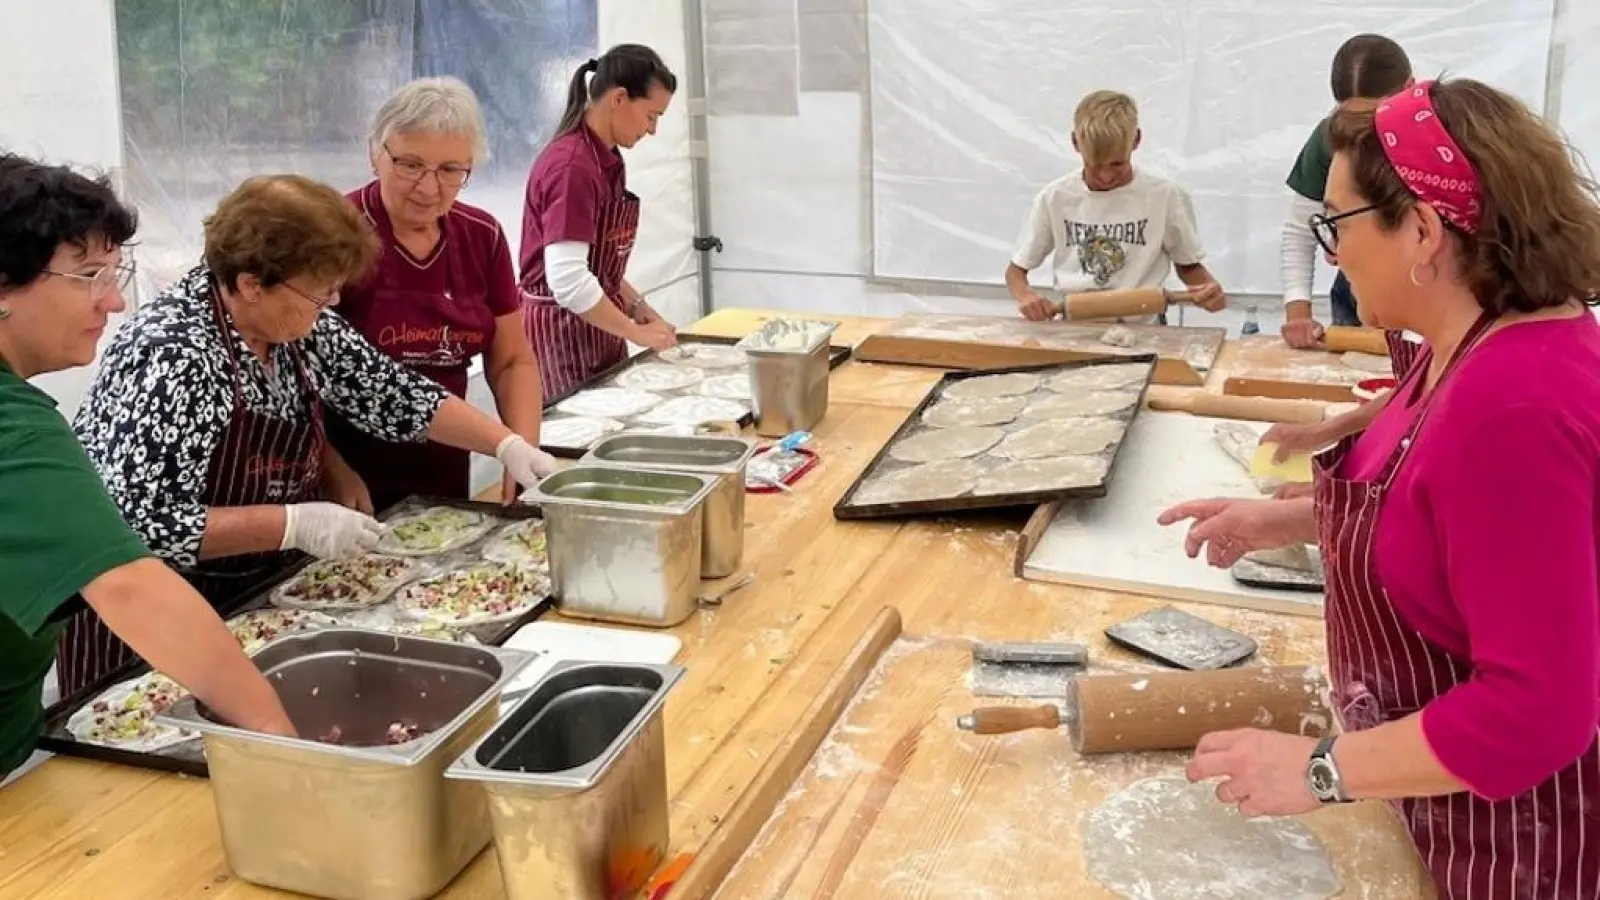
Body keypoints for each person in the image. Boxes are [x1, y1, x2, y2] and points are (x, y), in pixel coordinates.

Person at [1160, 79, 1600, 899]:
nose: (1331, 250)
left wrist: (1321, 770)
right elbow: (1432, 516)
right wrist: (1287, 520)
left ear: (1425, 231)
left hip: (1511, 845)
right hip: (1427, 803)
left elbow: (1536, 713)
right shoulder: (1461, 343)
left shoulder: (1514, 409)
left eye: (1339, 221)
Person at [64, 174, 560, 697]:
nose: (332, 302)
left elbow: (392, 392)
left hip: (247, 602)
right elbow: (138, 527)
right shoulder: (173, 356)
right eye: (319, 292)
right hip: (146, 629)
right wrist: (291, 524)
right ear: (252, 283)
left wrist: (508, 445)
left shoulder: (294, 326)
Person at [0, 154, 294, 782]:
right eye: (87, 276)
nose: (114, 302)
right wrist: (286, 742)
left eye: (115, 272)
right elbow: (133, 588)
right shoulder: (15, 430)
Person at [327, 77, 544, 510]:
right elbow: (289, 376)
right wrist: (329, 469)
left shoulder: (482, 236)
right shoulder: (334, 230)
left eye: (450, 171)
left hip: (445, 468)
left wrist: (520, 451)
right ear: (376, 154)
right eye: (410, 164)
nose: (428, 188)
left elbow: (512, 359)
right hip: (347, 478)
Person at [519, 44, 679, 399]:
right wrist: (635, 333)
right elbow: (569, 280)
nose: (652, 130)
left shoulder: (607, 158)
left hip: (597, 332)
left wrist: (641, 311)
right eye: (651, 115)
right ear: (619, 98)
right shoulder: (572, 167)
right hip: (560, 339)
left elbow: (599, 265)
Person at [1007, 90, 1227, 325]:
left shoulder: (1164, 196)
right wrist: (1025, 296)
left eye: (1117, 164)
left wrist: (1208, 292)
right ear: (1075, 143)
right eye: (1094, 165)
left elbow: (1188, 265)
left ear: (1136, 140)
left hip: (1146, 327)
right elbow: (1016, 271)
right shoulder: (1055, 198)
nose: (1106, 176)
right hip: (1075, 326)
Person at [1279, 34, 1412, 347]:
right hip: (1357, 295)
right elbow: (1300, 231)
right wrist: (1298, 312)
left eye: (1377, 113)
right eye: (1351, 116)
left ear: (1410, 89)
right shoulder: (1330, 137)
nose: (1363, 127)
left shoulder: (1444, 139)